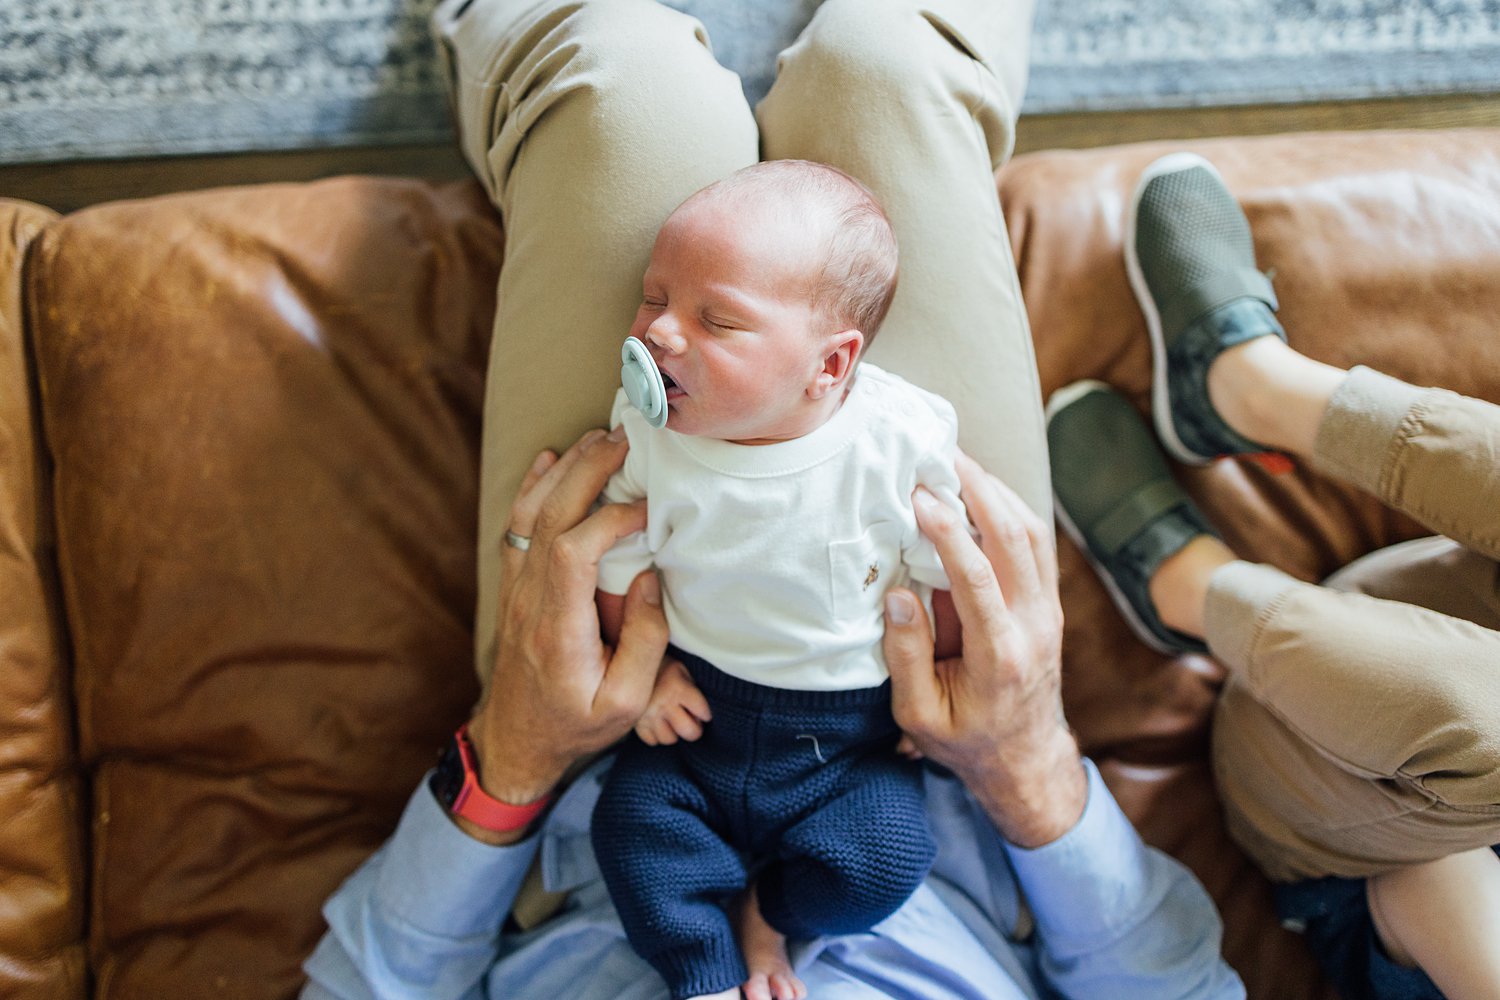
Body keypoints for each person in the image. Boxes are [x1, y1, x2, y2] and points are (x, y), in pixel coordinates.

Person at [302, 1, 1247, 997]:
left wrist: (513, 752)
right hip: (946, 787)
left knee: (615, 79)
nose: (659, 329)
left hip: (591, 772)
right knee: (884, 67)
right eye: (659, 308)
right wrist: (1030, 767)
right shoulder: (888, 429)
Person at [1046, 152, 1500, 1000]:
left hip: (1354, 791)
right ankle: (1250, 387)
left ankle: (1187, 587)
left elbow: (1425, 890)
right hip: (1441, 612)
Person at [590, 159, 966, 1000]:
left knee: (886, 861)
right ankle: (706, 972)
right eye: (654, 297)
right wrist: (642, 672)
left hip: (847, 740)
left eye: (716, 320)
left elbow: (944, 570)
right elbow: (619, 558)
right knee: (629, 830)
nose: (659, 334)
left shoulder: (897, 438)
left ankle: (772, 916)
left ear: (829, 368)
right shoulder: (651, 436)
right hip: (699, 721)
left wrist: (938, 682)